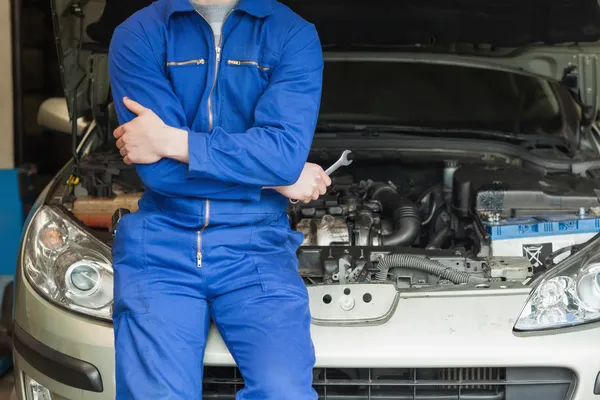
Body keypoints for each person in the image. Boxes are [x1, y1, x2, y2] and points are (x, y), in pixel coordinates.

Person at [108, 0, 327, 398]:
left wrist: (173, 141)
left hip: (257, 250)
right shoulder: (139, 33)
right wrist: (274, 183)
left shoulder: (291, 33)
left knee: (284, 393)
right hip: (160, 250)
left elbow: (282, 156)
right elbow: (160, 172)